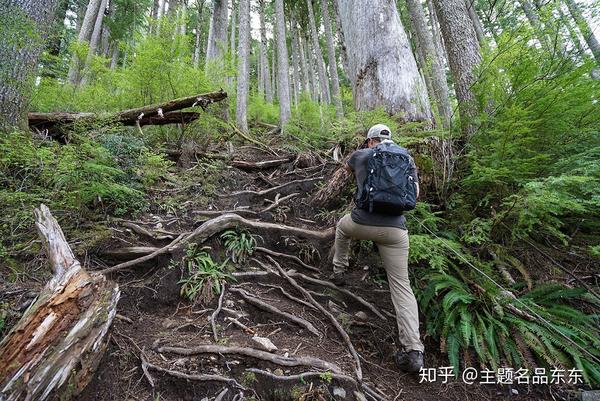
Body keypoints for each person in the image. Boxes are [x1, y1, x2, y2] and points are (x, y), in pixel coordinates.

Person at [331, 123, 424, 373]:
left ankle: (339, 271)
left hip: (361, 223)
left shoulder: (361, 154)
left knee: (341, 228)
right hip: (396, 232)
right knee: (402, 287)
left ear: (371, 141)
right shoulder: (407, 158)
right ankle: (413, 350)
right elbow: (415, 193)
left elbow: (346, 169)